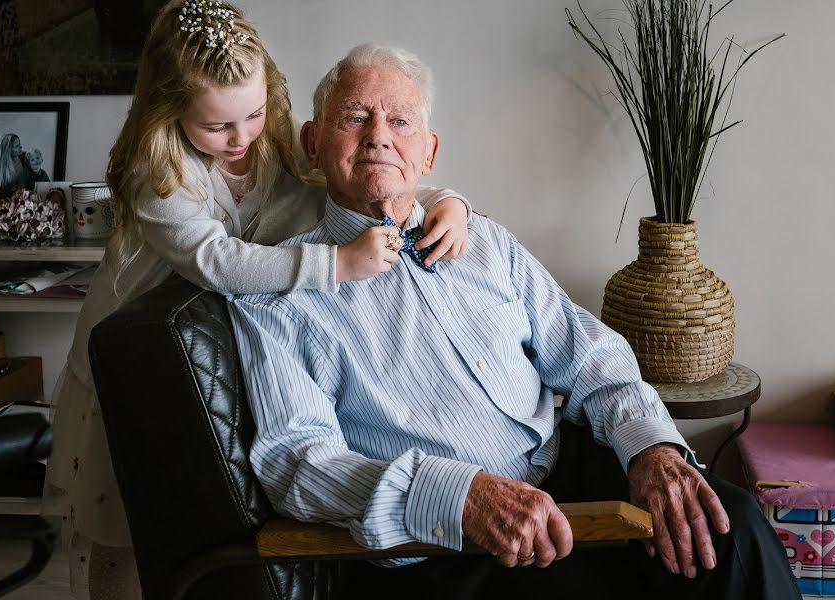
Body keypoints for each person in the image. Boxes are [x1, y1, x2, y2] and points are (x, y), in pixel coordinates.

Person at [227, 43, 802, 599]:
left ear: (428, 153)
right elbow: (297, 463)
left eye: (400, 121)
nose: (379, 135)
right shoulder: (278, 293)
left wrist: (653, 449)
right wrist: (458, 495)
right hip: (449, 544)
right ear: (313, 143)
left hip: (570, 473)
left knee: (732, 526)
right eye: (355, 117)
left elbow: (588, 354)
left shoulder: (486, 243)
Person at [42, 3, 472, 599]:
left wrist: (448, 200)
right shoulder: (158, 174)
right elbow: (219, 262)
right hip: (144, 361)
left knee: (194, 502)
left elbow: (350, 170)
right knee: (123, 521)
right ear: (169, 113)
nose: (241, 137)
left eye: (254, 112)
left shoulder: (271, 141)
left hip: (240, 339)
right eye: (217, 127)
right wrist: (338, 264)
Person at [0, 133, 28, 202]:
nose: (21, 147)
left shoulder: (24, 158)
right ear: (8, 150)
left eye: (19, 144)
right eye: (16, 146)